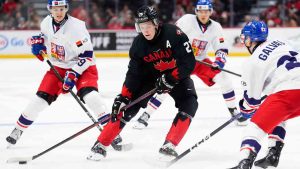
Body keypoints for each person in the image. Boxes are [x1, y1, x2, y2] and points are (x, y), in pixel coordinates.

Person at [6, 0, 122, 149]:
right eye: (55, 9)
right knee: (38, 101)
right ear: (50, 10)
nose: (58, 12)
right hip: (58, 67)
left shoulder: (77, 27)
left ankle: (111, 132)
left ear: (66, 8)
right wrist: (39, 44)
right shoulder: (46, 22)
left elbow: (86, 56)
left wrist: (74, 73)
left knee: (92, 97)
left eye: (61, 9)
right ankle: (18, 129)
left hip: (83, 68)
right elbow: (44, 37)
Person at [87, 5, 198, 161]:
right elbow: (133, 74)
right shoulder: (138, 45)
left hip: (175, 75)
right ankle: (100, 145)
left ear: (155, 23)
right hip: (150, 78)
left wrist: (171, 78)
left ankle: (169, 145)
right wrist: (124, 96)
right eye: (141, 26)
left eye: (148, 25)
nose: (145, 30)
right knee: (126, 108)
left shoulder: (174, 34)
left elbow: (188, 62)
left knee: (190, 103)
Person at [133, 0, 246, 130]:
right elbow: (171, 36)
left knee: (224, 79)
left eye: (206, 11)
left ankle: (234, 111)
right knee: (166, 84)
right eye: (200, 11)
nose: (203, 14)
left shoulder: (216, 27)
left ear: (211, 12)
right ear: (196, 11)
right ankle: (146, 115)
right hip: (181, 61)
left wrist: (219, 62)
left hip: (201, 61)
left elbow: (221, 48)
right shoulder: (186, 20)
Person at [229, 20, 300, 169]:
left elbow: (252, 103)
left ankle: (244, 162)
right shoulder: (281, 42)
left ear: (250, 39)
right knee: (278, 115)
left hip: (288, 92)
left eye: (245, 38)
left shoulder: (252, 62)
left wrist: (244, 109)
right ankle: (273, 153)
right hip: (292, 86)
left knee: (254, 126)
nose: (245, 42)